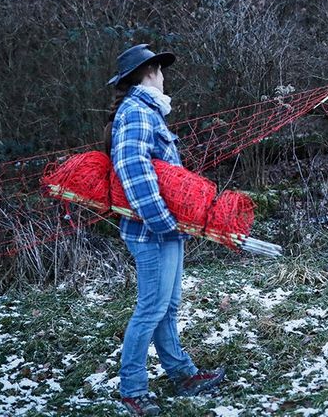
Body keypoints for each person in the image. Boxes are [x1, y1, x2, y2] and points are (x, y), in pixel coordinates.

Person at [105, 44, 224, 416]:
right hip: (152, 232)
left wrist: (175, 225)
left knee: (167, 307)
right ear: (150, 72)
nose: (163, 76)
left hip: (168, 230)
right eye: (160, 69)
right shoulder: (137, 113)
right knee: (151, 308)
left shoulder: (150, 112)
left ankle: (182, 374)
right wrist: (162, 222)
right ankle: (132, 388)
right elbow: (133, 170)